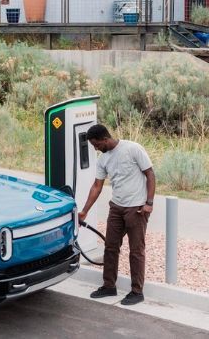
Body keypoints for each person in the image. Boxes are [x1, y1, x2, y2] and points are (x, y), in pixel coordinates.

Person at [78, 124, 156, 306]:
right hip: (116, 208)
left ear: (105, 139)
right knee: (110, 247)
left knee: (136, 251)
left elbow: (150, 174)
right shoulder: (103, 159)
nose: (95, 148)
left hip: (136, 209)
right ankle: (109, 286)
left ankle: (137, 291)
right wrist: (84, 211)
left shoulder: (133, 149)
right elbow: (97, 186)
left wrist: (149, 203)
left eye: (96, 144)